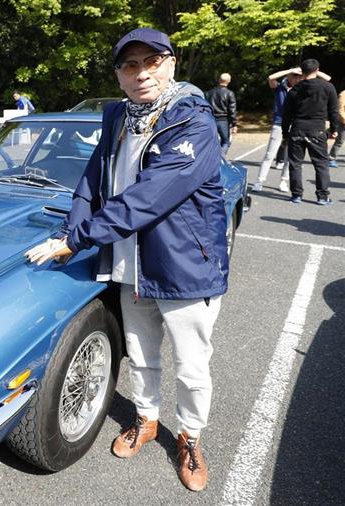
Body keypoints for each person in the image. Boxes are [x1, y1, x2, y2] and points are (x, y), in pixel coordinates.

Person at [25, 27, 227, 492]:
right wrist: (68, 230)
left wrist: (79, 240)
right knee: (141, 354)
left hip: (183, 265)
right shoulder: (118, 116)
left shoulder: (193, 122)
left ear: (171, 64)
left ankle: (190, 437)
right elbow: (92, 180)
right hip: (128, 262)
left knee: (192, 365)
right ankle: (146, 419)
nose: (142, 74)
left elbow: (147, 198)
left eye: (152, 62)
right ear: (118, 75)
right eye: (130, 65)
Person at [282, 58, 339, 205]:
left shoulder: (295, 89)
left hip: (297, 129)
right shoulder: (327, 87)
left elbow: (286, 114)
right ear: (317, 70)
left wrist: (285, 134)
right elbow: (333, 111)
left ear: (301, 71)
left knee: (295, 164)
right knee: (321, 164)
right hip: (317, 129)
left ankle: (296, 195)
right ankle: (322, 196)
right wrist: (334, 129)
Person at [252, 68, 303, 192]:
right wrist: (290, 70)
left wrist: (309, 71)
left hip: (295, 124)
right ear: (289, 76)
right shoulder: (280, 87)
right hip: (279, 123)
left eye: (299, 76)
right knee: (269, 154)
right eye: (294, 76)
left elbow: (327, 79)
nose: (297, 78)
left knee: (290, 156)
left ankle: (284, 181)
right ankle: (259, 181)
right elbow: (271, 78)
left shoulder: (303, 88)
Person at [205, 73, 237, 155]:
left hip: (211, 120)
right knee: (225, 141)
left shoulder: (209, 93)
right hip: (223, 120)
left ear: (219, 80)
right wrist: (234, 124)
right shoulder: (229, 93)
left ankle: (211, 158)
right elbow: (232, 110)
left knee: (211, 141)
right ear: (229, 81)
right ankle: (221, 158)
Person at [328, 86, 344, 168]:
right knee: (340, 141)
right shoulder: (343, 94)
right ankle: (331, 158)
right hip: (343, 122)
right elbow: (340, 110)